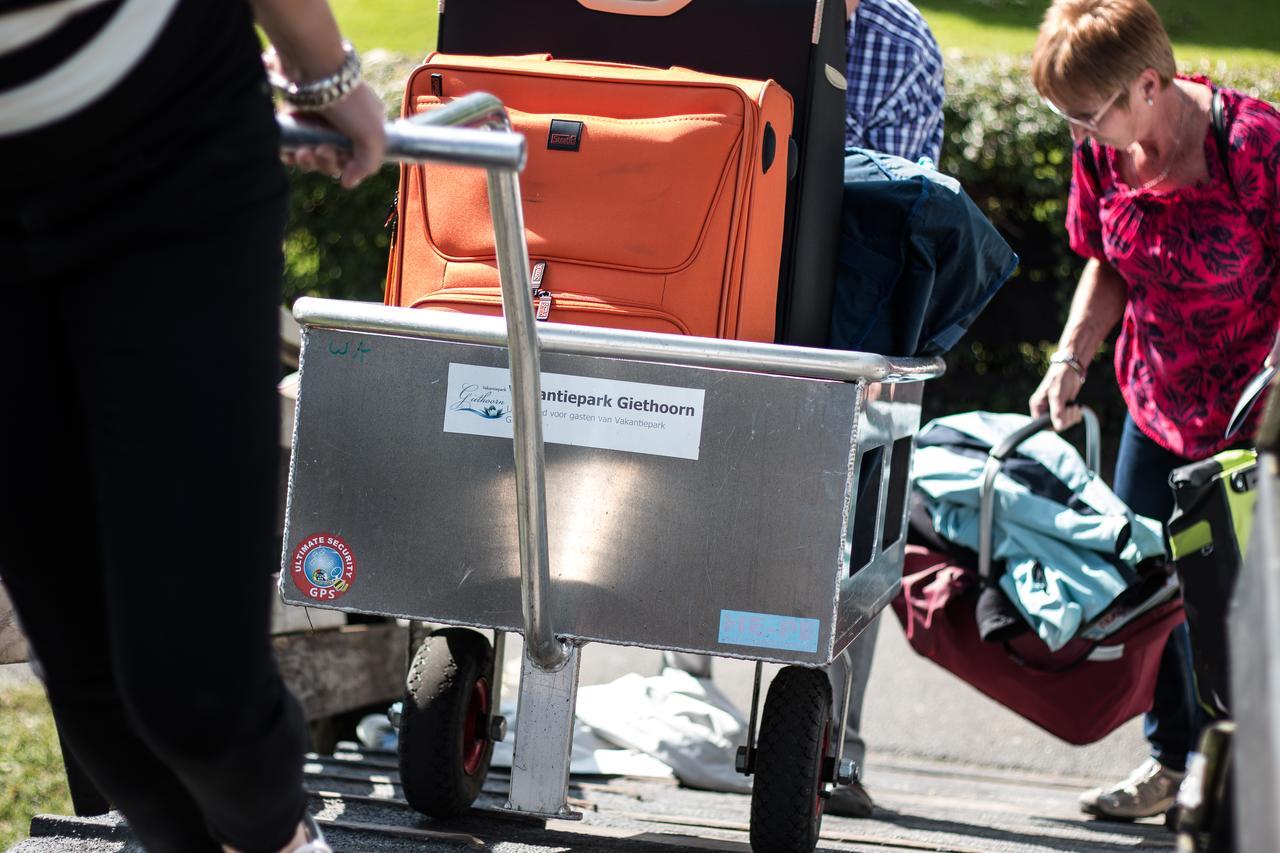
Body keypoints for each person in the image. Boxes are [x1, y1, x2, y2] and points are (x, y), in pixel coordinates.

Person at [0, 0, 385, 851]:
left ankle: (282, 842)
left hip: (165, 161)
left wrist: (319, 66)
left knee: (197, 699)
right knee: (91, 699)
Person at [664, 0, 945, 820]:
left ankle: (837, 743)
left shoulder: (896, 42)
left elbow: (895, 204)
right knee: (685, 481)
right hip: (709, 278)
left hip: (837, 296)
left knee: (849, 517)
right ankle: (686, 709)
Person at [1028, 0, 1280, 821]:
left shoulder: (1255, 147)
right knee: (1156, 593)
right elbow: (1106, 261)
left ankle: (1245, 781)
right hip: (1157, 401)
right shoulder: (1106, 157)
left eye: (1084, 115)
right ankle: (1171, 763)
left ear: (1147, 83)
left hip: (1253, 415)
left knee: (1243, 603)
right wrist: (1072, 356)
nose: (1076, 135)